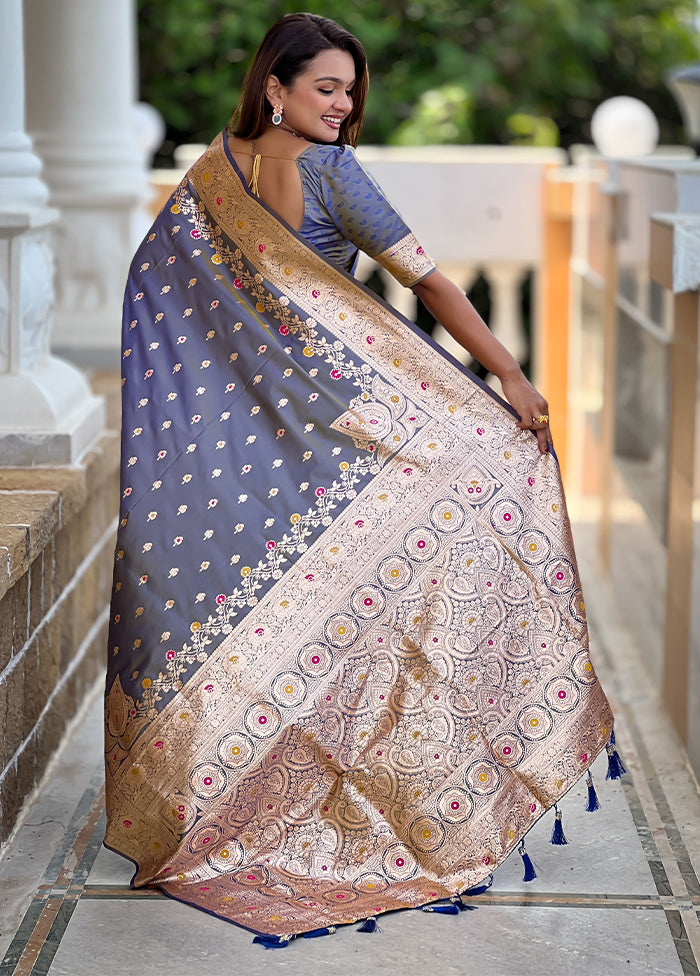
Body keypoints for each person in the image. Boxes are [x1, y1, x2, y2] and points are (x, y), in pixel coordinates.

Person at [105, 13, 616, 945]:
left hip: (284, 452)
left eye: (350, 90)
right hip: (308, 450)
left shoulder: (218, 170)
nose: (344, 106)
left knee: (324, 615)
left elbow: (158, 289)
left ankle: (329, 791)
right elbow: (425, 285)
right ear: (277, 88)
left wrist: (501, 376)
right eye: (327, 89)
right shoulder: (279, 178)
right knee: (322, 613)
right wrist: (505, 371)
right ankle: (321, 797)